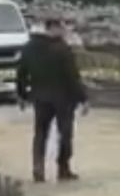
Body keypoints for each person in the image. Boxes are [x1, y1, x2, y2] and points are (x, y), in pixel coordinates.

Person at [15, 17, 88, 182]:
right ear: (54, 28)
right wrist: (83, 98)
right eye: (61, 28)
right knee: (65, 134)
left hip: (40, 97)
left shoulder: (30, 47)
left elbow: (21, 73)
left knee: (40, 133)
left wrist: (21, 95)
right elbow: (72, 77)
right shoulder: (62, 49)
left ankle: (38, 168)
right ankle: (63, 168)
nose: (63, 31)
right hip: (64, 99)